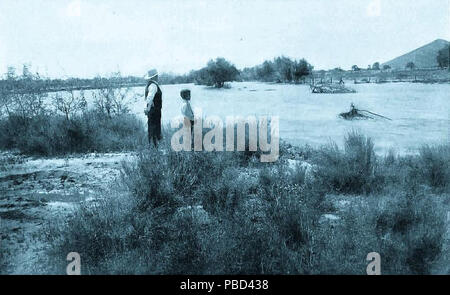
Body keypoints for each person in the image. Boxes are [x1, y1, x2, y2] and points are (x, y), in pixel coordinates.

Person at [144, 69, 162, 147]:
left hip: (152, 110)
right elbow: (149, 98)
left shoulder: (150, 85)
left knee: (152, 127)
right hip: (155, 110)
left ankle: (152, 145)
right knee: (155, 128)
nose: (158, 77)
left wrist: (146, 109)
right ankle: (154, 146)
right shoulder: (153, 86)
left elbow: (147, 99)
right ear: (155, 77)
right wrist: (147, 109)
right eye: (156, 76)